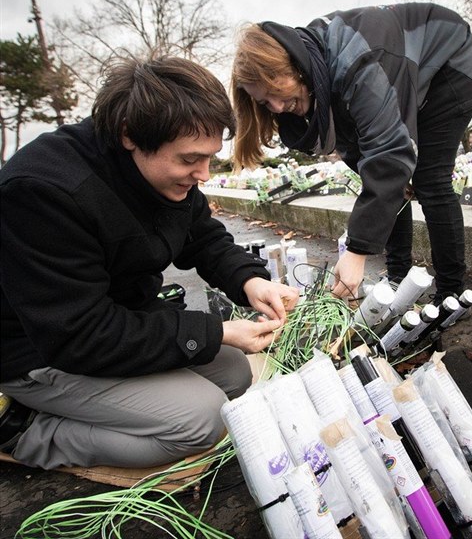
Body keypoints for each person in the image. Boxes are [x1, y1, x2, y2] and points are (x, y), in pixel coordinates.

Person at [0, 56, 299, 470]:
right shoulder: (44, 193)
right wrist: (217, 330)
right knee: (203, 419)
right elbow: (80, 335)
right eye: (190, 159)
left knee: (234, 372)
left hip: (116, 320)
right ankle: (30, 433)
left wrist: (252, 282)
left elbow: (202, 235)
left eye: (211, 157)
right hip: (39, 351)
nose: (204, 174)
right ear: (130, 135)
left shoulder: (161, 171)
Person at [231, 3, 472, 302]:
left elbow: (389, 157)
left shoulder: (358, 62)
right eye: (263, 102)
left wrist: (356, 250)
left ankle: (451, 293)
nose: (274, 107)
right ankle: (397, 277)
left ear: (296, 69)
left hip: (447, 63)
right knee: (390, 182)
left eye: (275, 92)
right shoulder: (322, 77)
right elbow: (374, 172)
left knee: (429, 178)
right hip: (400, 72)